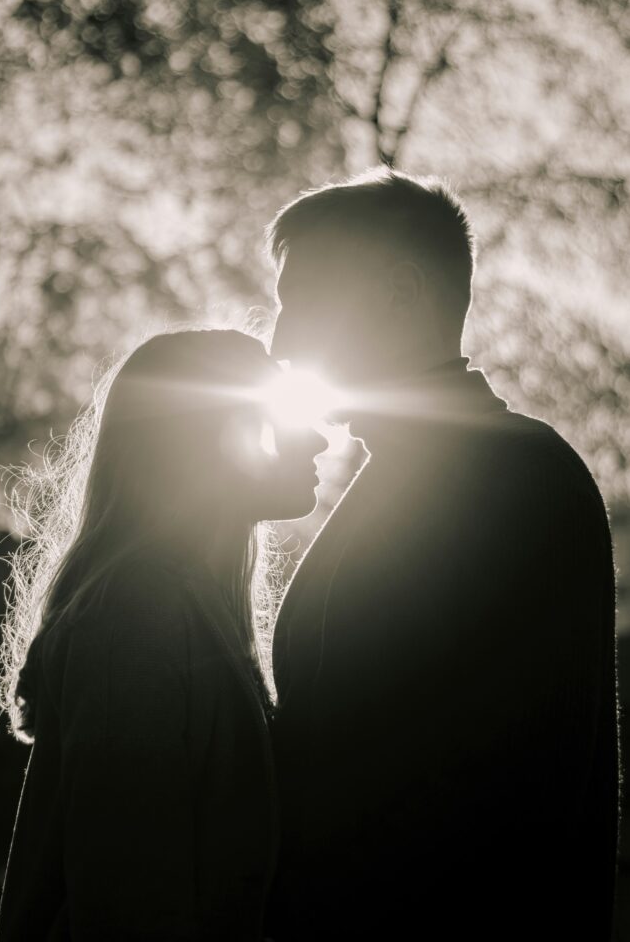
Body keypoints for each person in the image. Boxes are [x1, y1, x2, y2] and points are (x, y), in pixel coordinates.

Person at [266, 169, 619, 940]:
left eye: (305, 304)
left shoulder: (516, 480)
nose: (281, 344)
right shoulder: (408, 474)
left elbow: (507, 799)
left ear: (400, 293)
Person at [0, 329, 326, 942]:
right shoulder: (135, 620)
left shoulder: (180, 608)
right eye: (280, 415)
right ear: (205, 443)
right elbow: (129, 911)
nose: (317, 437)